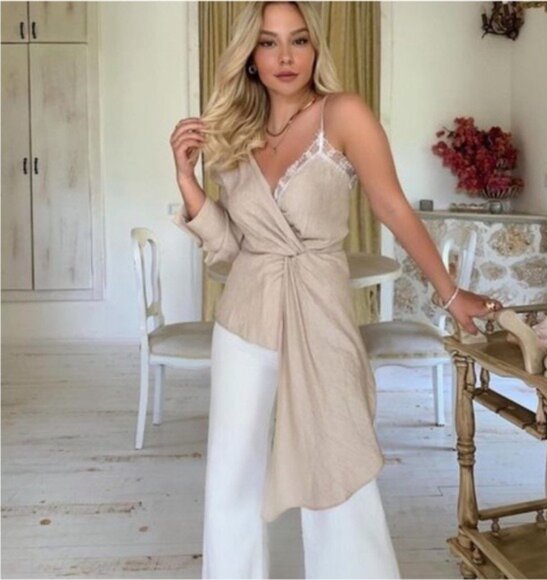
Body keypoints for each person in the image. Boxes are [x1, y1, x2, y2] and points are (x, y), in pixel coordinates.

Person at [169, 2, 502, 578]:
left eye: (298, 40)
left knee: (336, 458)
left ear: (315, 47)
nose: (285, 56)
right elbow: (230, 247)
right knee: (232, 473)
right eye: (269, 42)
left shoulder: (342, 113)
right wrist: (187, 180)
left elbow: (392, 207)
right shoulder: (234, 132)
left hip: (321, 312)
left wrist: (451, 294)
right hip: (245, 318)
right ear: (250, 55)